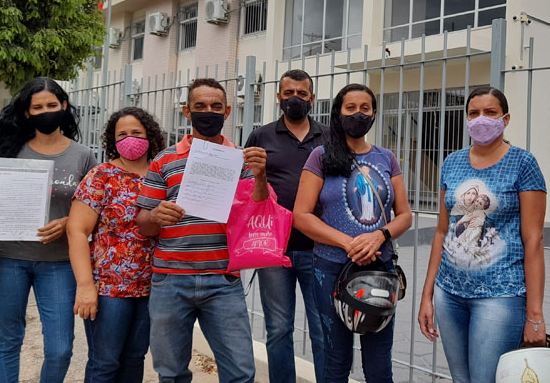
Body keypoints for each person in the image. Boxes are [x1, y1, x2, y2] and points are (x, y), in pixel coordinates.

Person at [135, 77, 269, 383]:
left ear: (227, 111)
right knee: (170, 373)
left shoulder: (242, 159)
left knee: (241, 373)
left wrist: (260, 176)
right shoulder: (164, 160)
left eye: (216, 106)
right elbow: (143, 224)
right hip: (170, 281)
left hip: (223, 280)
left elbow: (257, 213)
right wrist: (156, 215)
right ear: (187, 111)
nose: (208, 111)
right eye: (200, 106)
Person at [417, 85, 547, 383]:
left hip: (500, 295)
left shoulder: (523, 164)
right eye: (473, 113)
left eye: (490, 112)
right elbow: (441, 231)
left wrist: (535, 316)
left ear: (506, 118)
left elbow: (534, 241)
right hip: (448, 293)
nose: (481, 119)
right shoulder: (452, 162)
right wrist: (427, 296)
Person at [0, 77, 98, 383]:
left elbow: (97, 207)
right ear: (27, 112)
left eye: (52, 105)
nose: (46, 111)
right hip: (8, 258)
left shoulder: (83, 156)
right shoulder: (8, 150)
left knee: (60, 349)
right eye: (38, 107)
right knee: (8, 338)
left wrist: (70, 221)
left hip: (59, 263)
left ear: (64, 107)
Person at [293, 83, 412, 383]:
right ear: (338, 113)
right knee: (335, 361)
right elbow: (301, 216)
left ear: (373, 114)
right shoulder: (320, 157)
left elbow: (405, 215)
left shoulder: (387, 158)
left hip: (379, 269)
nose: (358, 114)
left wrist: (379, 236)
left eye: (365, 109)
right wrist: (347, 242)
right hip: (331, 269)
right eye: (350, 108)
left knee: (379, 364)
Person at [67, 107, 166, 383]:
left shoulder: (161, 177)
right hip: (109, 287)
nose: (129, 139)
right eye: (122, 134)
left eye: (137, 133)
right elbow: (76, 230)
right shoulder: (101, 176)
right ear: (112, 139)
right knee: (105, 363)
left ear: (150, 136)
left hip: (152, 287)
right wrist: (85, 286)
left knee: (135, 360)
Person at [243, 69, 327, 383]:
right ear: (278, 96)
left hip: (321, 249)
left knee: (322, 328)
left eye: (302, 94)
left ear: (312, 99)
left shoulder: (329, 136)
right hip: (274, 250)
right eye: (289, 92)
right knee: (278, 329)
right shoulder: (260, 136)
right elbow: (245, 191)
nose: (295, 99)